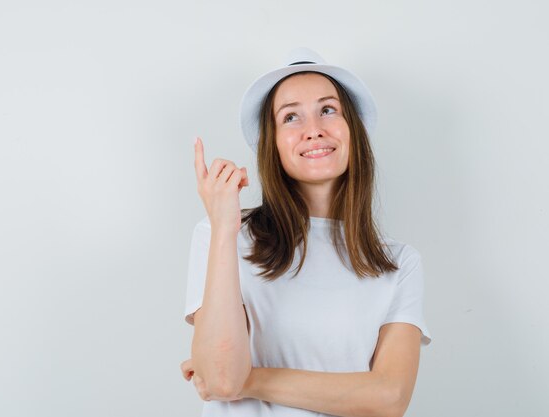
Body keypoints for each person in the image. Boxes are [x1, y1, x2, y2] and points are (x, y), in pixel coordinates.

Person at [180, 47, 432, 417]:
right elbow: (219, 378)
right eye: (291, 117)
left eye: (328, 110)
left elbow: (390, 398)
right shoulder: (224, 234)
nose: (313, 130)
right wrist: (223, 228)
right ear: (273, 143)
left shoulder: (398, 263)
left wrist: (247, 379)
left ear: (353, 131)